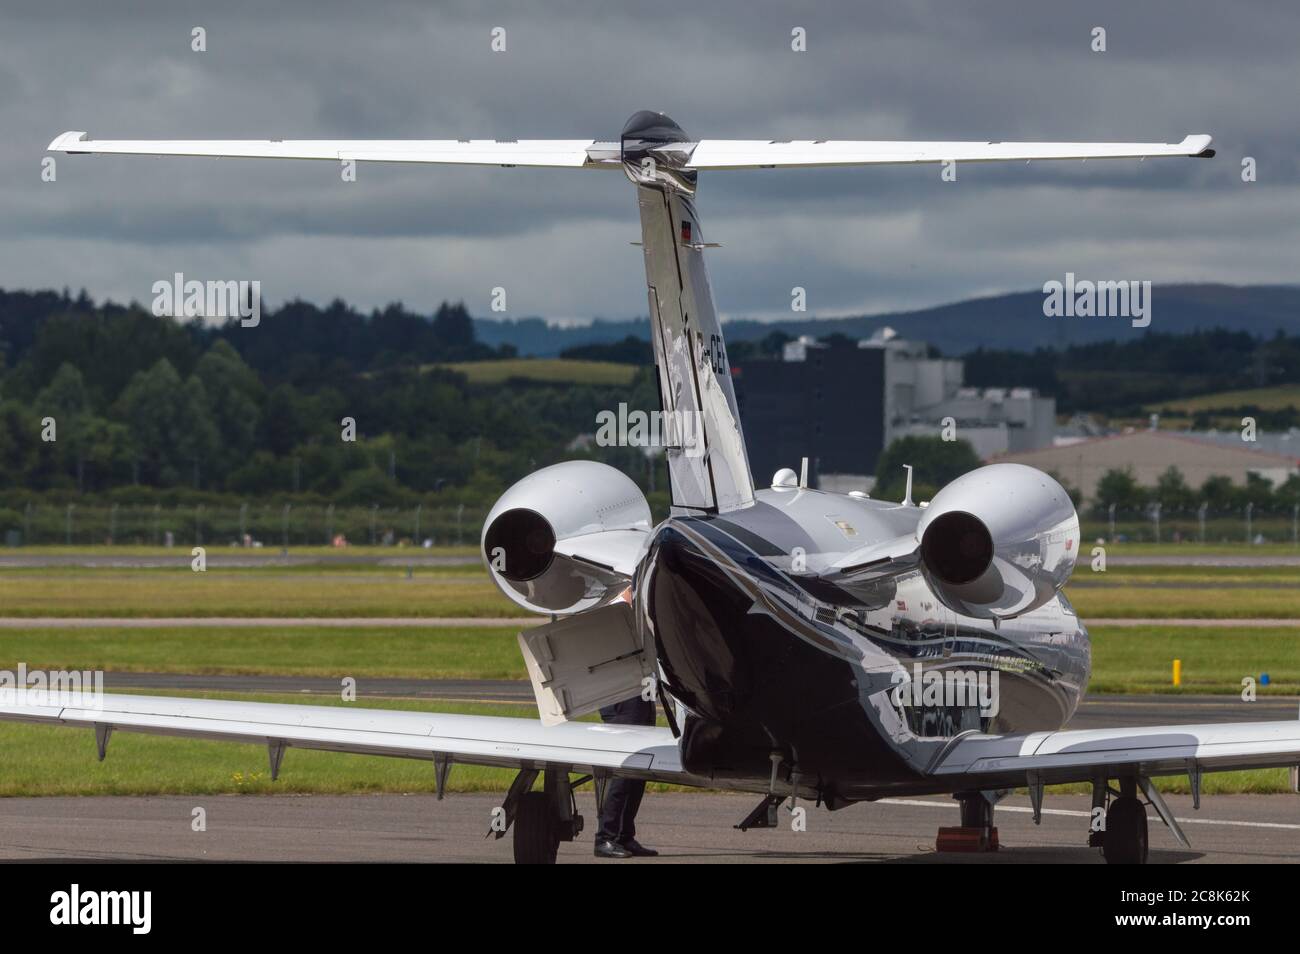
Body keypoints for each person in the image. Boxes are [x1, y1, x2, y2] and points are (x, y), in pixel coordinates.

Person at [593, 694, 660, 858]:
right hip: (623, 700)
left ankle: (623, 837)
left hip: (640, 699)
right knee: (622, 775)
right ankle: (605, 838)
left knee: (637, 774)